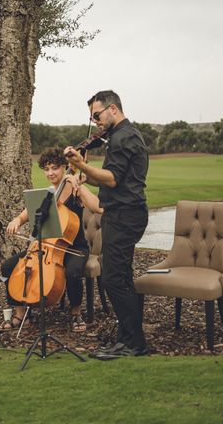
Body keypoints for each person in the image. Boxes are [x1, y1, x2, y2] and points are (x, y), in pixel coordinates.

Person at [64, 90, 149, 359]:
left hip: (126, 216)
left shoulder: (124, 137)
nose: (95, 122)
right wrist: (87, 178)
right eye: (92, 118)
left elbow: (112, 179)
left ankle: (134, 344)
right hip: (119, 213)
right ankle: (127, 338)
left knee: (112, 279)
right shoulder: (118, 135)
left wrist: (82, 166)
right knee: (121, 277)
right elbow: (113, 177)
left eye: (97, 115)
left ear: (112, 109)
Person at [0, 147, 102, 333]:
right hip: (45, 247)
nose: (50, 173)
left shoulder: (74, 189)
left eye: (54, 168)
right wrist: (17, 220)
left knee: (72, 272)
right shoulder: (46, 194)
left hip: (74, 247)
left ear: (64, 167)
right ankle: (21, 314)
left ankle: (75, 312)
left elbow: (97, 207)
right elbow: (25, 215)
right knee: (8, 266)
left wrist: (78, 185)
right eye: (46, 169)